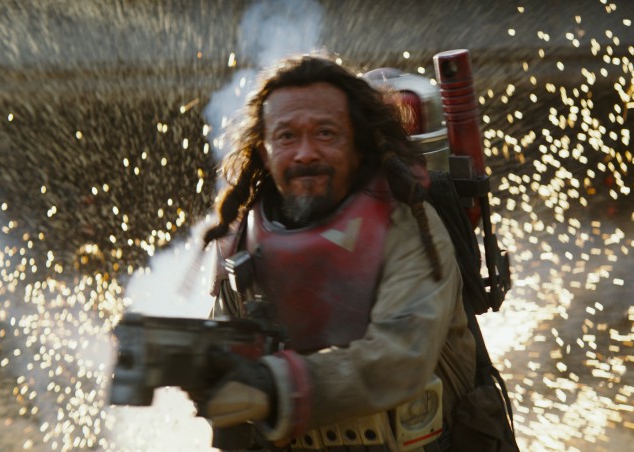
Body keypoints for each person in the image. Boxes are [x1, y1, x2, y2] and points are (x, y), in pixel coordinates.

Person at [198, 55, 477, 451]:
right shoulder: (244, 237)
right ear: (264, 151)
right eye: (286, 136)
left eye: (326, 134)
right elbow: (225, 349)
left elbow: (401, 358)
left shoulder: (407, 225)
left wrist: (274, 386)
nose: (305, 153)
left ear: (357, 144)